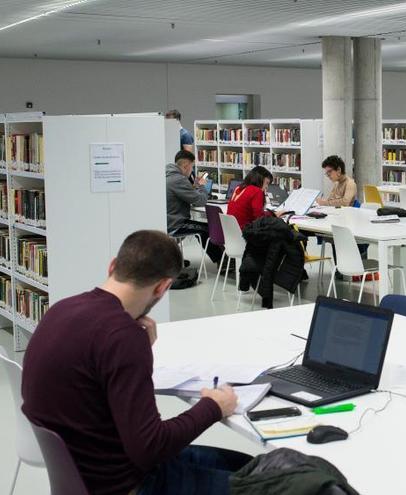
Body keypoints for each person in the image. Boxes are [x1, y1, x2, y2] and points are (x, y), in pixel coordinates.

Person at [22, 230, 250, 495]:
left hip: (83, 476)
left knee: (251, 468)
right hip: (128, 485)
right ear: (163, 286)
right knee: (272, 483)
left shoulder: (61, 309)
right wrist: (213, 406)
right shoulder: (123, 337)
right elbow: (151, 447)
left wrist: (140, 353)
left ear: (113, 266)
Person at [165, 150, 223, 264]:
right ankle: (222, 261)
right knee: (208, 228)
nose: (192, 170)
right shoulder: (179, 179)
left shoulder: (169, 175)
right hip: (175, 224)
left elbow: (184, 194)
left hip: (168, 220)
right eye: (192, 167)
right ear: (185, 166)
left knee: (203, 227)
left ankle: (222, 260)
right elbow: (200, 201)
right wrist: (201, 187)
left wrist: (194, 186)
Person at [227, 165, 287, 229]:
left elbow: (255, 213)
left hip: (232, 232)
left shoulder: (238, 187)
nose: (267, 187)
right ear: (259, 179)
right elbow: (260, 219)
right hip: (246, 233)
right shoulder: (256, 191)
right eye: (266, 183)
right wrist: (274, 215)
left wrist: (271, 214)